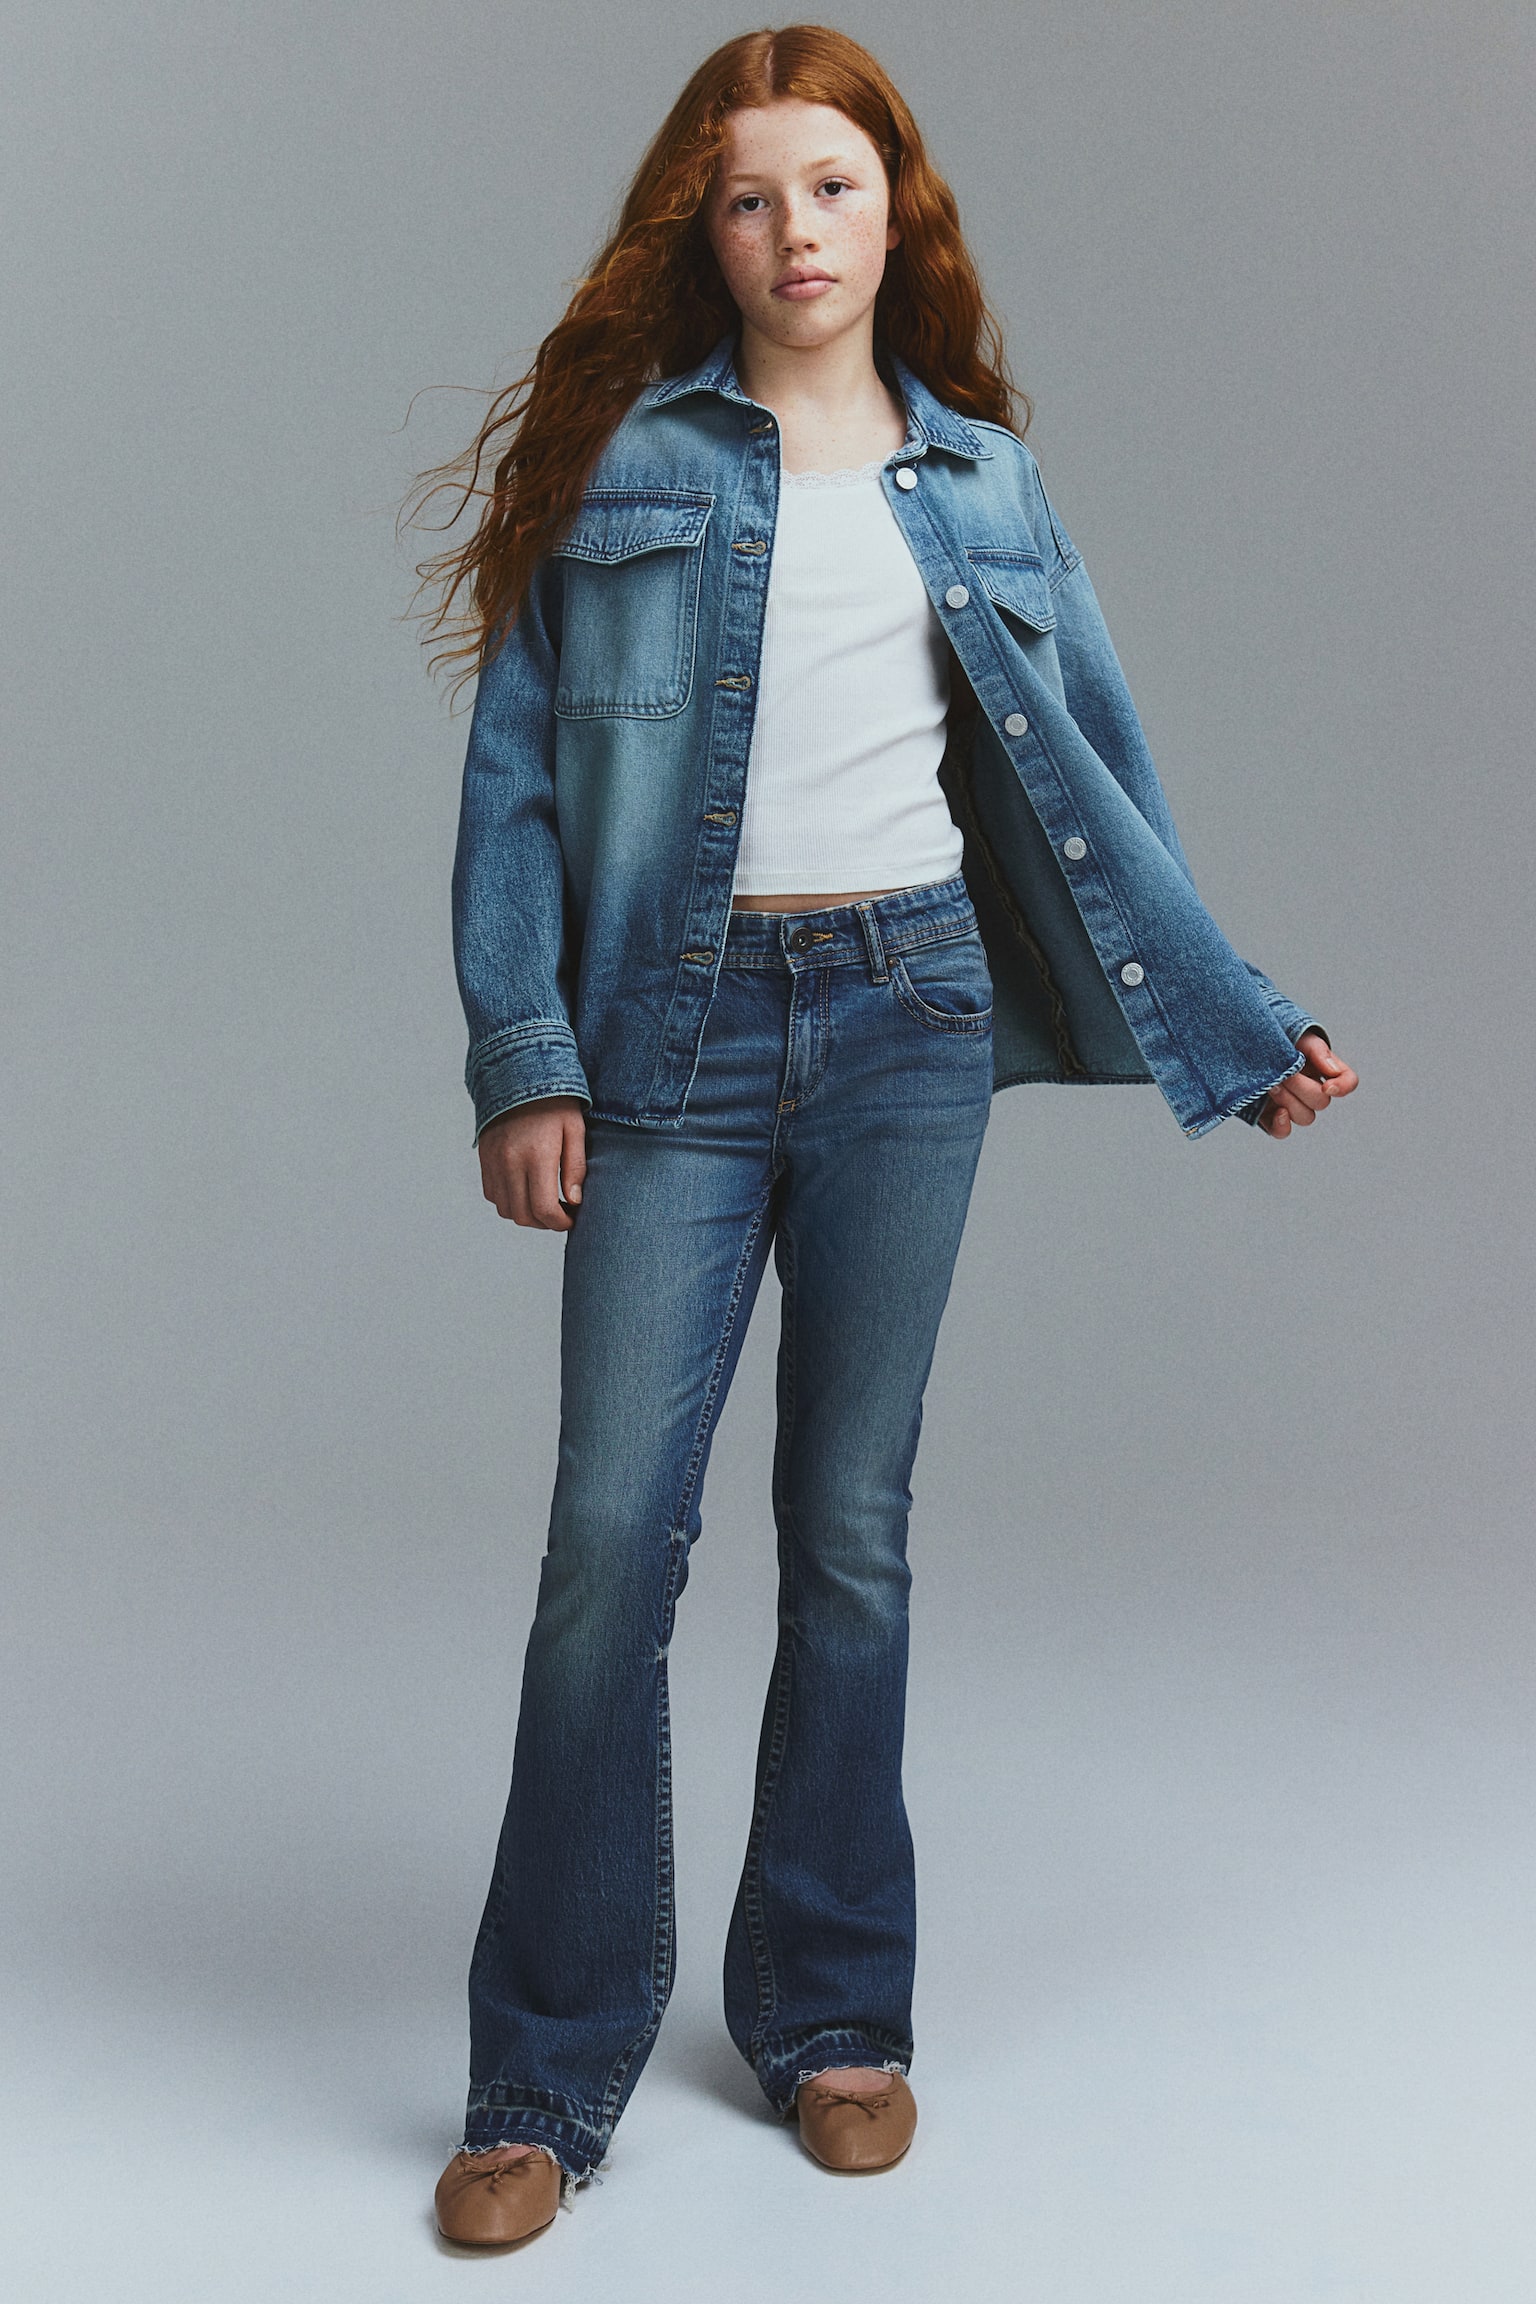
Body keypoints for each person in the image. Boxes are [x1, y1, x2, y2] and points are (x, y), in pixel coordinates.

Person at [409, 22, 1358, 2249]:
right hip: (669, 1036)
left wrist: (1243, 1029)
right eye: (750, 198)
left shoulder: (987, 485)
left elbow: (1100, 779)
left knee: (850, 1535)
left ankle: (834, 2008)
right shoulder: (624, 466)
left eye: (831, 187)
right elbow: (512, 787)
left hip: (908, 1020)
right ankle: (541, 2071)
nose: (795, 231)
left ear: (894, 208)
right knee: (608, 1542)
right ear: (705, 231)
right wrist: (525, 1058)